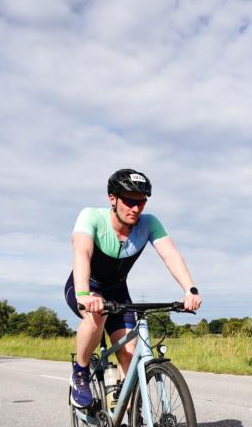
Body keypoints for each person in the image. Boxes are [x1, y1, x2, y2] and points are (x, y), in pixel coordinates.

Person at [64, 168, 201, 408]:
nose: (135, 208)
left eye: (141, 203)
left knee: (129, 354)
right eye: (129, 201)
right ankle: (81, 371)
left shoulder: (148, 224)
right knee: (97, 315)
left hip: (117, 291)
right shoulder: (91, 216)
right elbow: (82, 253)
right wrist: (84, 295)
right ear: (112, 199)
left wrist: (190, 289)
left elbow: (170, 255)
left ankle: (137, 423)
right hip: (86, 285)